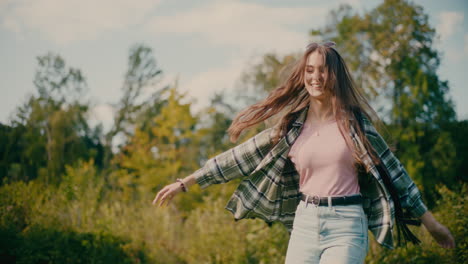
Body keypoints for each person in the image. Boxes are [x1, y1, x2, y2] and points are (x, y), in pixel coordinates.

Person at [153, 41, 455, 263]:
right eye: (310, 70)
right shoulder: (291, 127)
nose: (315, 77)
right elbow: (240, 157)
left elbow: (398, 176)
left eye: (323, 70)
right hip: (305, 222)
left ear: (334, 75)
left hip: (347, 223)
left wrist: (432, 224)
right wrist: (187, 182)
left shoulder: (356, 127)